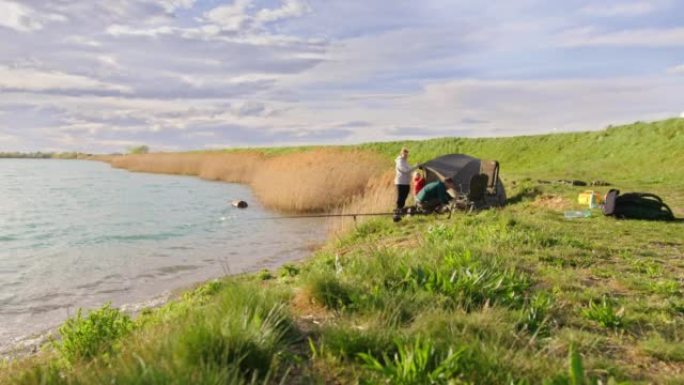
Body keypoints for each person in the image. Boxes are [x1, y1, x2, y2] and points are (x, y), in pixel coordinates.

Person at [394, 147, 416, 212]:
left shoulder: (405, 162)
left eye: (407, 155)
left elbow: (410, 168)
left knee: (404, 197)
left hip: (406, 183)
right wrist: (415, 167)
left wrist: (417, 166)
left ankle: (401, 211)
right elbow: (405, 171)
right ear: (401, 154)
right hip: (400, 183)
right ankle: (397, 213)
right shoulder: (399, 162)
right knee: (400, 198)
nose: (406, 156)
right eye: (405, 154)